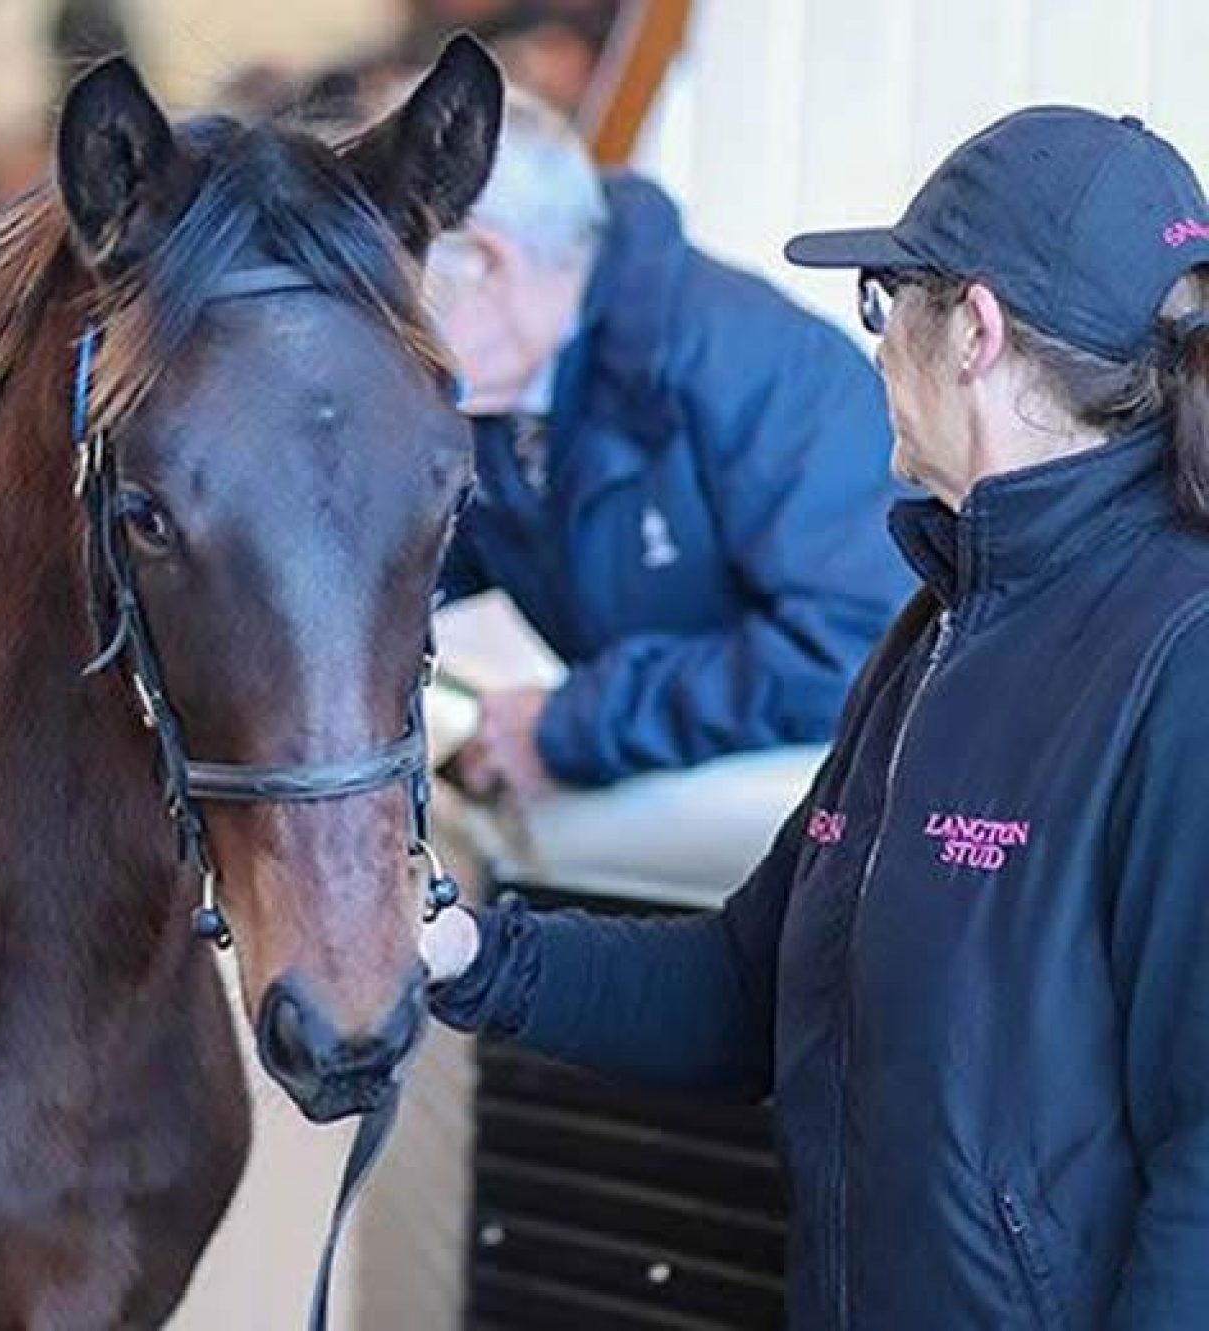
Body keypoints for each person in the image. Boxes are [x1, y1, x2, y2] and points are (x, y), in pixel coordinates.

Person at [422, 106, 1209, 1328]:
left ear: (976, 334)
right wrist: (465, 956)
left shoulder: (1183, 654)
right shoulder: (938, 624)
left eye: (886, 301)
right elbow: (747, 989)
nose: (876, 345)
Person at [426, 90, 908, 799]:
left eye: (399, 282)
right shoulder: (501, 389)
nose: (382, 322)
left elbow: (855, 647)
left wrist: (574, 726)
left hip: (811, 806)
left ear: (491, 263)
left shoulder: (760, 370)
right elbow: (414, 558)